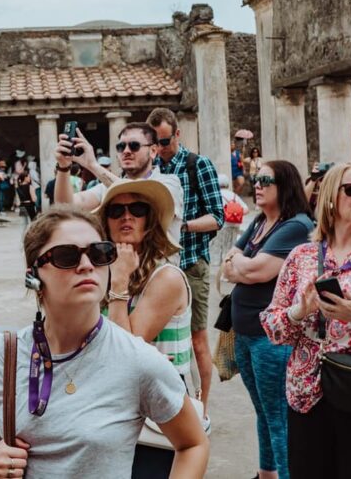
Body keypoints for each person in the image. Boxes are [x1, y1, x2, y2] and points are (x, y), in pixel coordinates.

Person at [0, 206, 208, 478]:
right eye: (66, 256)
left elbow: (193, 443)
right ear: (33, 275)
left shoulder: (138, 360)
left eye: (99, 253)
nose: (86, 265)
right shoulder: (1, 355)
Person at [261, 162, 351, 479]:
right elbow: (272, 326)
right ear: (332, 199)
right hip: (307, 394)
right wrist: (299, 312)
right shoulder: (302, 257)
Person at [97, 179, 199, 476]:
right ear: (106, 222)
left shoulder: (165, 277)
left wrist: (118, 284)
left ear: (150, 220)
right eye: (116, 211)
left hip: (157, 417)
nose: (126, 216)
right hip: (114, 407)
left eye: (137, 209)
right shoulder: (101, 274)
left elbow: (124, 352)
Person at [222, 161, 313, 479]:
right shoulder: (260, 221)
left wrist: (240, 264)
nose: (256, 184)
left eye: (265, 180)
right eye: (255, 178)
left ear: (285, 185)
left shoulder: (296, 226)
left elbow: (257, 270)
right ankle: (266, 473)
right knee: (262, 410)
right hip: (245, 332)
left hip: (270, 337)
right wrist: (241, 265)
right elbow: (228, 264)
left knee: (278, 417)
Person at [148, 107, 224, 420]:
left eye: (165, 141)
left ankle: (203, 409)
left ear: (177, 134)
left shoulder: (198, 164)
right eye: (155, 143)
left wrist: (182, 226)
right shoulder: (150, 166)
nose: (161, 148)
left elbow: (217, 217)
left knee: (197, 340)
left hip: (191, 263)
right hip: (159, 268)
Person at [55, 122, 185, 244]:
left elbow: (136, 193)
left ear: (153, 151)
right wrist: (63, 166)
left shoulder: (170, 182)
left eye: (134, 146)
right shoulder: (105, 187)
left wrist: (93, 165)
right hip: (121, 266)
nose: (126, 151)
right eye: (121, 147)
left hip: (159, 266)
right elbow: (65, 205)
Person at [211, 174, 250, 263]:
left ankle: (217, 268)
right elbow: (246, 209)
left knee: (218, 247)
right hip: (235, 225)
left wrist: (226, 214)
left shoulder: (216, 195)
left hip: (222, 226)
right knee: (230, 247)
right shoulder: (234, 196)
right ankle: (229, 264)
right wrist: (234, 214)